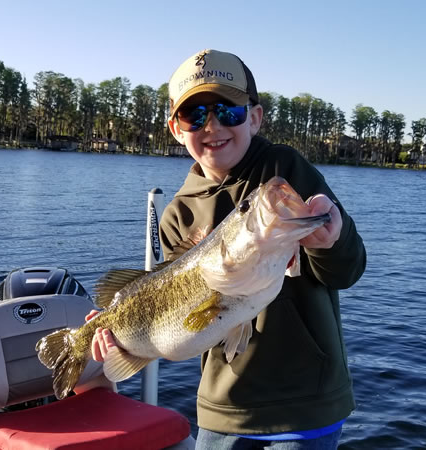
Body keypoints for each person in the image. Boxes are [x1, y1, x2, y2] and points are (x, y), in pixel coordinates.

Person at [90, 49, 366, 449]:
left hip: (307, 402)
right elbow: (178, 324)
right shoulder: (178, 212)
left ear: (254, 117)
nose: (212, 125)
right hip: (223, 407)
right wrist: (120, 338)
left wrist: (331, 241)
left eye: (228, 111)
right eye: (194, 115)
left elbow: (348, 270)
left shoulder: (284, 170)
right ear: (175, 128)